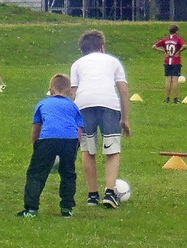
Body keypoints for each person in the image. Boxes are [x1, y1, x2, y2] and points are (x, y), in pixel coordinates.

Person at [70, 30, 131, 209]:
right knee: (112, 150)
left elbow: (73, 93)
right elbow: (124, 91)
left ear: (83, 50)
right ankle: (110, 193)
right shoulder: (113, 61)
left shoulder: (77, 64)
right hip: (109, 104)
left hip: (83, 105)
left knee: (88, 150)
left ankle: (92, 195)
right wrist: (125, 119)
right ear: (102, 47)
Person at [16, 74, 84, 218]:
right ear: (70, 91)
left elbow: (37, 128)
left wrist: (36, 145)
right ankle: (67, 208)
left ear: (50, 90)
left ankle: (31, 209)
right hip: (70, 140)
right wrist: (75, 148)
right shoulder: (74, 106)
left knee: (36, 174)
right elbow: (79, 130)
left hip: (48, 139)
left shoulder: (43, 104)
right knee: (68, 174)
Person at [152, 24, 187, 104]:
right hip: (176, 61)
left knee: (168, 80)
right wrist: (178, 51)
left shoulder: (165, 40)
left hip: (167, 61)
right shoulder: (178, 39)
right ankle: (176, 99)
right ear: (176, 31)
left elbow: (154, 46)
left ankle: (167, 98)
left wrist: (164, 51)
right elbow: (184, 46)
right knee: (175, 80)